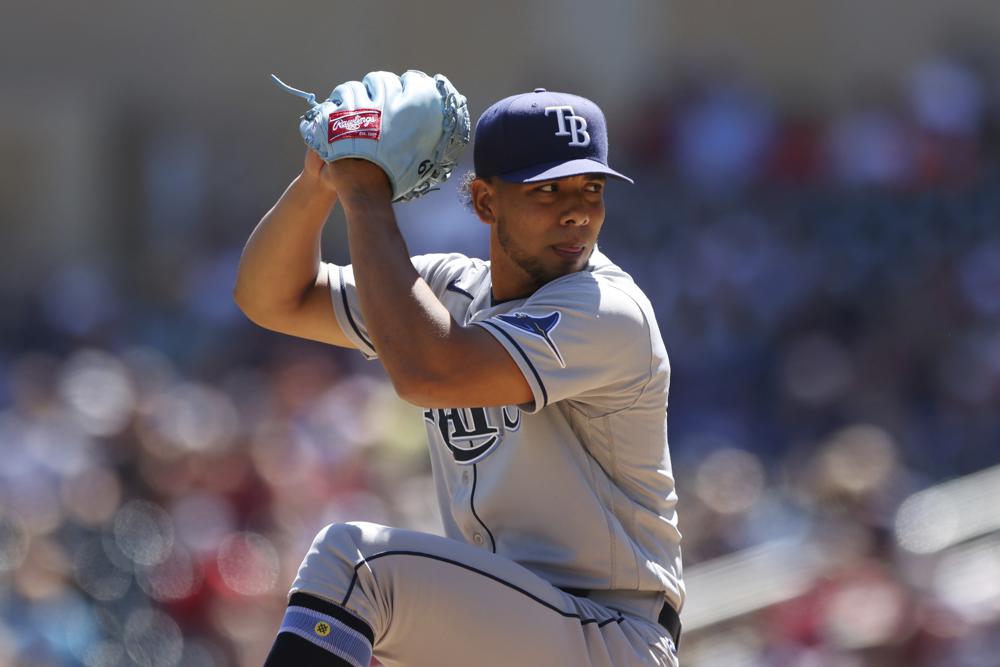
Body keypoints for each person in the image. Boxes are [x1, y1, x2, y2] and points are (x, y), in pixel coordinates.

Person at [234, 86, 684, 667]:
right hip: (511, 625)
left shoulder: (606, 309)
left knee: (354, 569)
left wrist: (365, 194)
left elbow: (430, 372)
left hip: (610, 636)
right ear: (483, 201)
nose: (576, 209)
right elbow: (270, 297)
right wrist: (322, 178)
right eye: (548, 189)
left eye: (591, 188)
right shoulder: (450, 287)